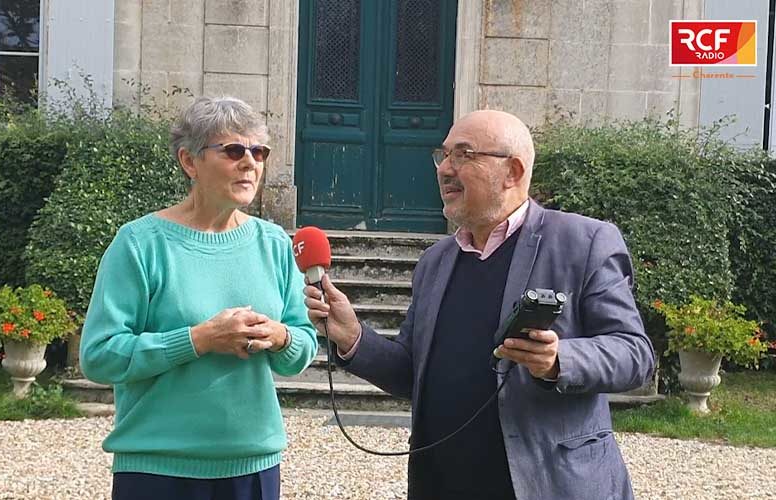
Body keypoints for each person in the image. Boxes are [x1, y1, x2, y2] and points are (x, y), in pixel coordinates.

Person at [304, 110, 655, 500]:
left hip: (547, 486)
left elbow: (635, 355)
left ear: (513, 172)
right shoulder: (435, 262)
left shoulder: (584, 242)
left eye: (464, 154)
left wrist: (559, 359)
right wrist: (353, 338)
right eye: (444, 154)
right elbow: (412, 372)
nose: (445, 169)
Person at [80, 96, 318, 500]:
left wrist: (280, 337)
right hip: (156, 470)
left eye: (259, 151)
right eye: (233, 150)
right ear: (189, 162)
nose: (251, 162)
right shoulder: (140, 244)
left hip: (253, 468)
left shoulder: (276, 244)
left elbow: (302, 347)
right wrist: (199, 339)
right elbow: (99, 356)